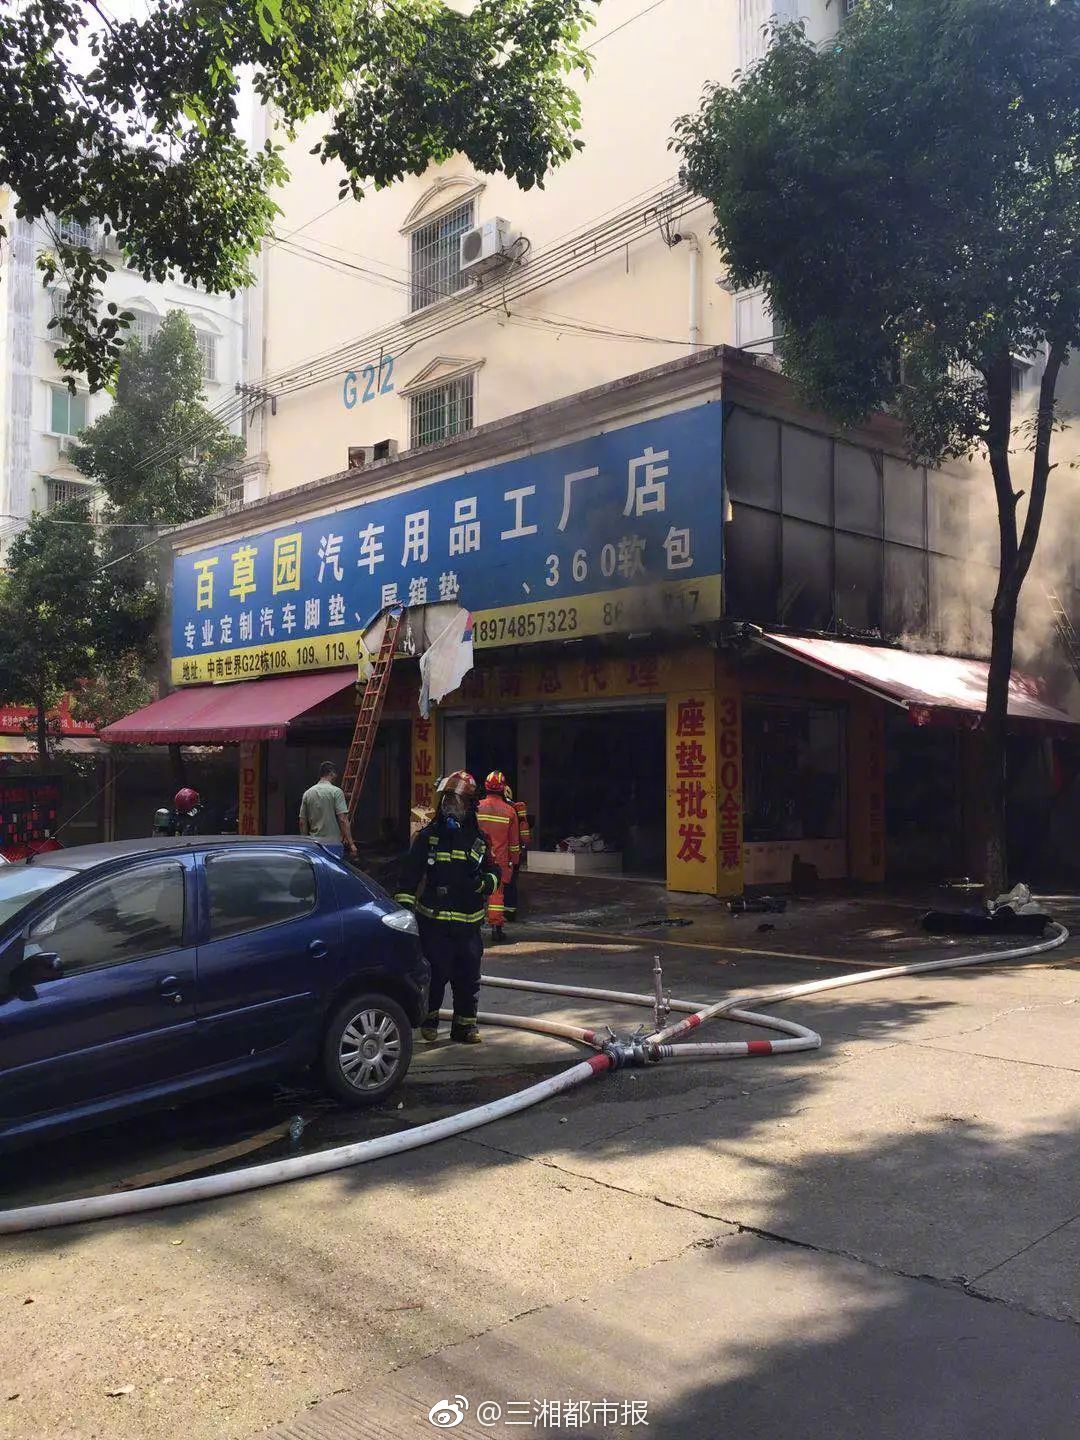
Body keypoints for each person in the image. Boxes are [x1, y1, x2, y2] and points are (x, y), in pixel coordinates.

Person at [394, 771, 500, 1045]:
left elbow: (494, 872)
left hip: (468, 926)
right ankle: (429, 1022)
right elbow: (408, 879)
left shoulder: (479, 840)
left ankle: (465, 1028)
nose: (450, 807)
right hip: (434, 924)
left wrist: (484, 883)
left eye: (456, 801)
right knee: (434, 976)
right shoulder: (429, 837)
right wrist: (406, 918)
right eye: (447, 801)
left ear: (469, 805)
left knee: (468, 978)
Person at [476, 770, 520, 944]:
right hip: (499, 859)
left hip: (477, 856)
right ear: (503, 788)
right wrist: (515, 862)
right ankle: (496, 928)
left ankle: (474, 925)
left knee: (474, 889)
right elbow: (514, 843)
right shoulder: (510, 811)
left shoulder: (477, 807)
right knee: (496, 894)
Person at [298, 761, 357, 859]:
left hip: (314, 843)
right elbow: (343, 819)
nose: (336, 776)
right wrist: (351, 844)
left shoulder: (307, 793)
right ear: (331, 773)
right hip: (333, 843)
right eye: (335, 774)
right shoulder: (336, 792)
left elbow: (302, 822)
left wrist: (306, 842)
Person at [503, 783, 531, 923]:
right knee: (510, 883)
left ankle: (495, 912)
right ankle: (510, 912)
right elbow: (525, 835)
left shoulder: (497, 807)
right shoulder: (516, 808)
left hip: (498, 852)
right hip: (513, 853)